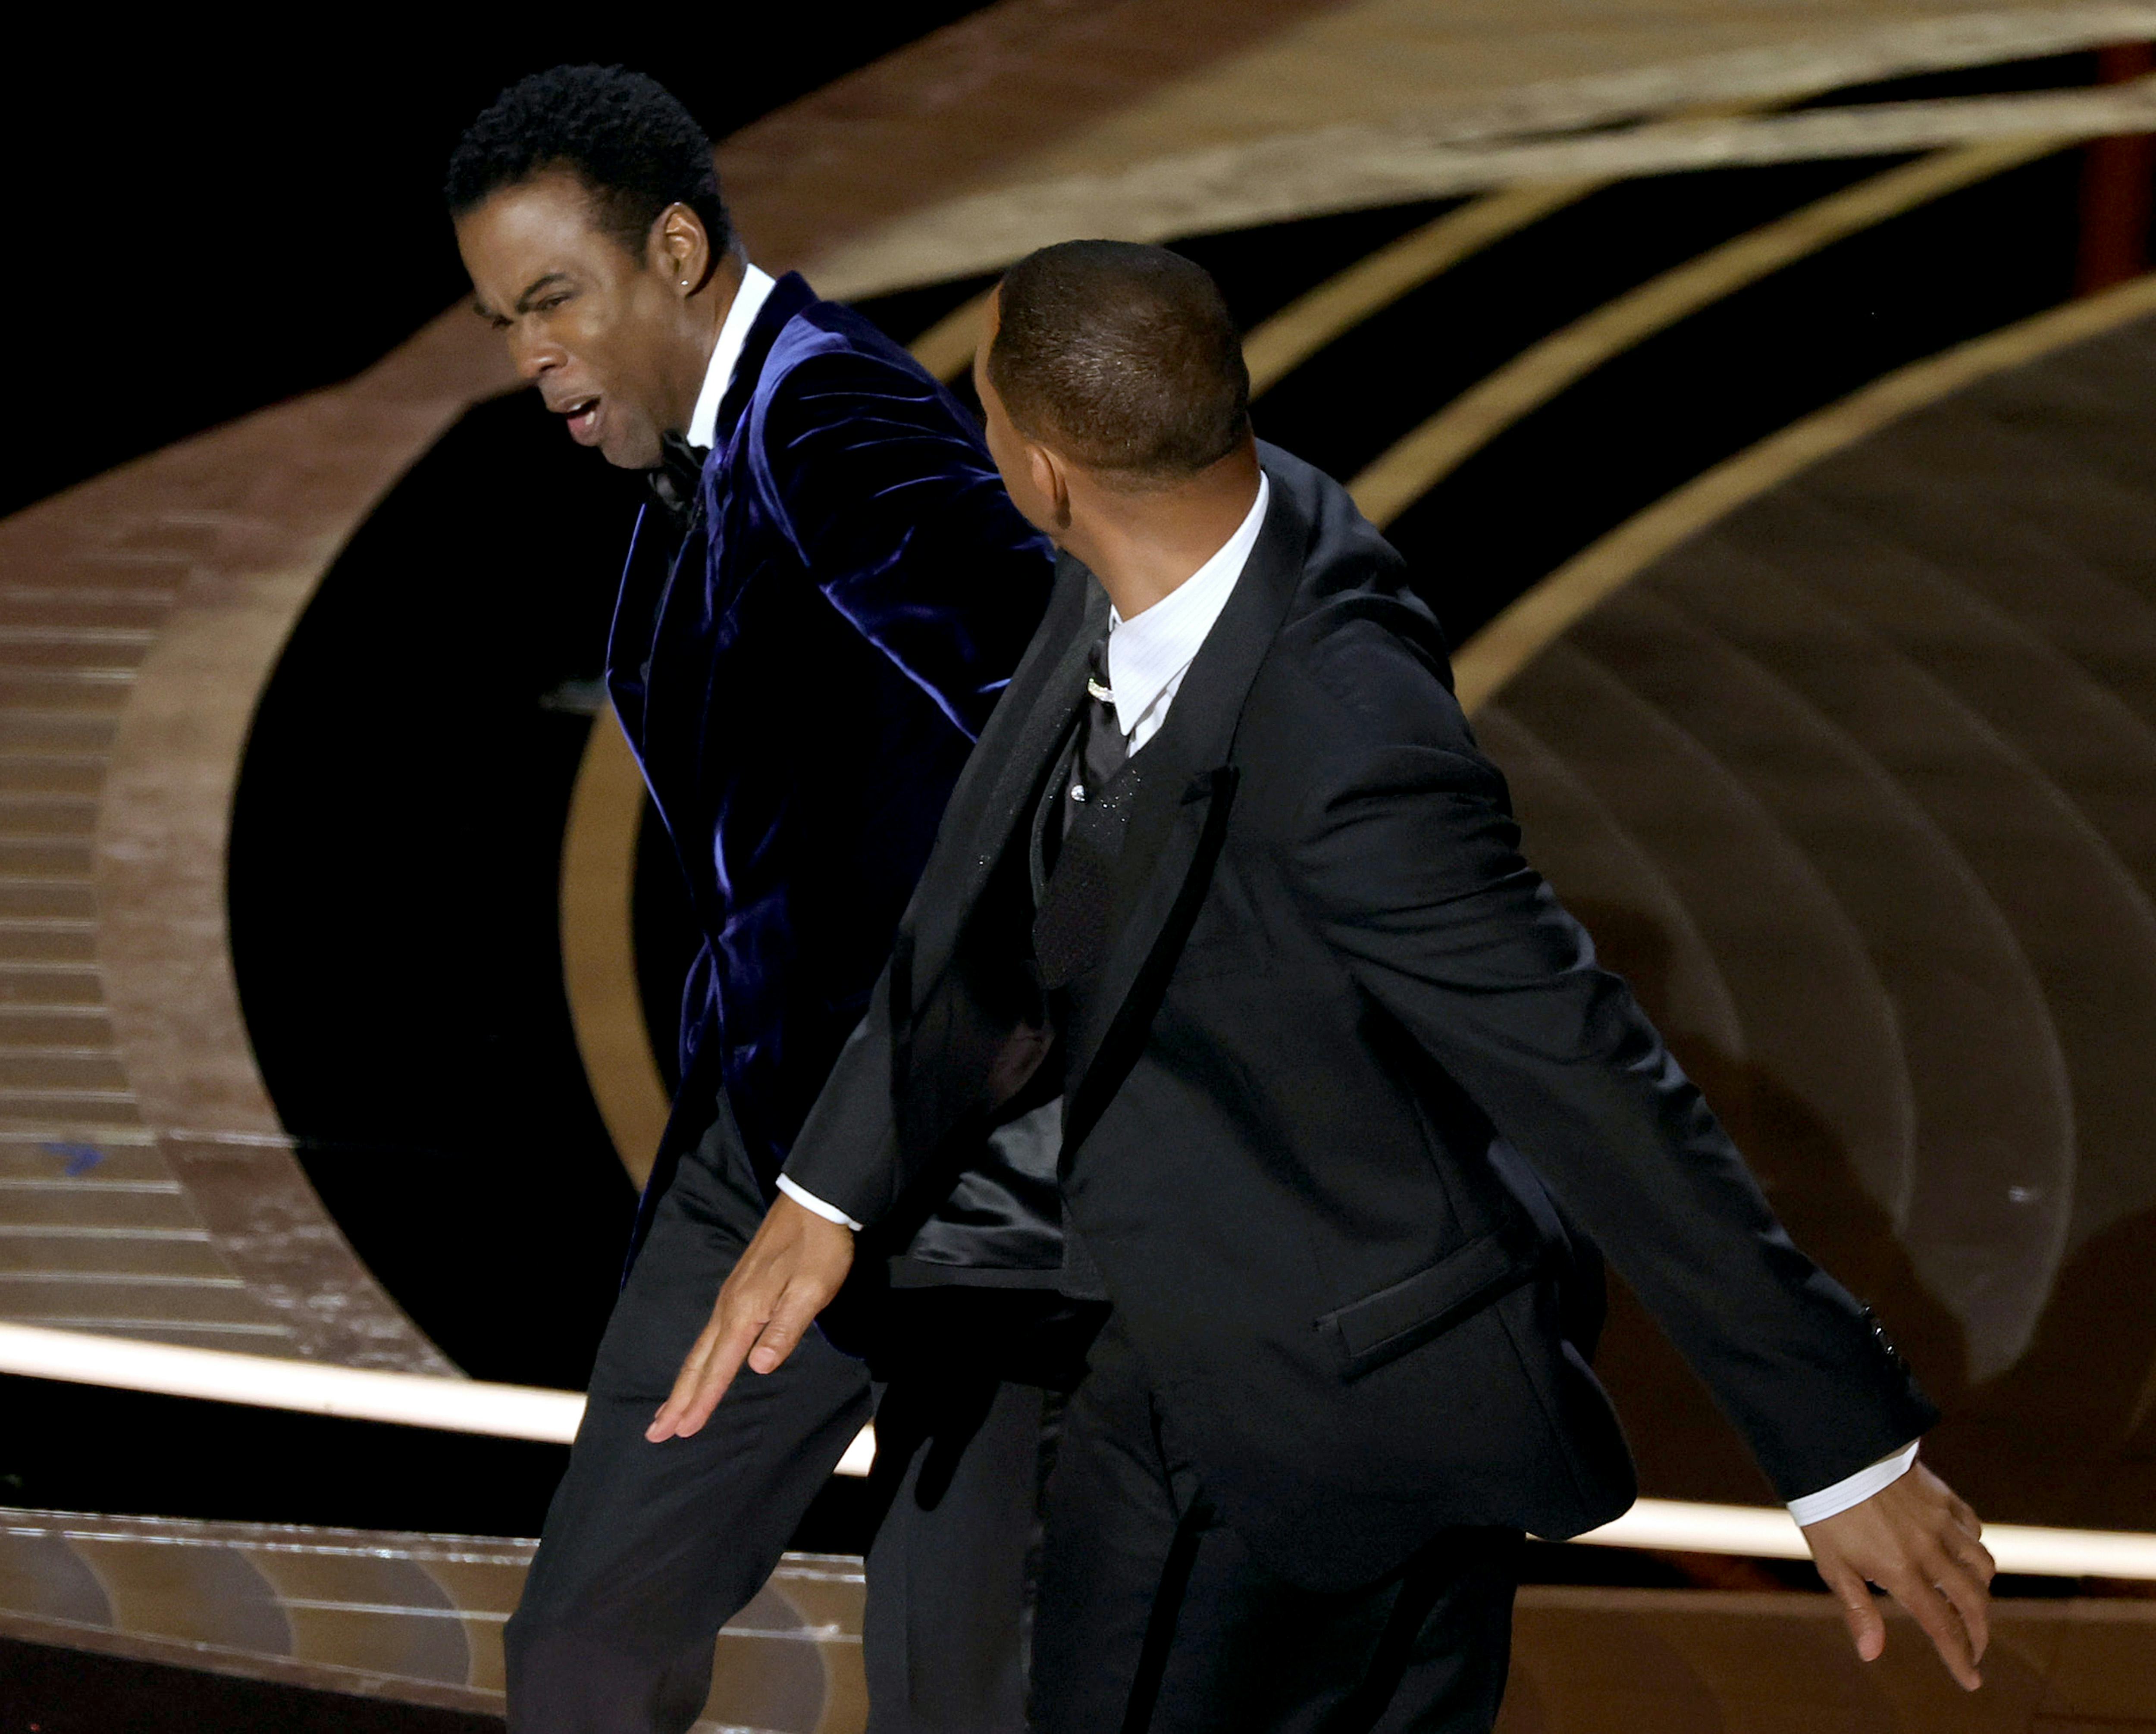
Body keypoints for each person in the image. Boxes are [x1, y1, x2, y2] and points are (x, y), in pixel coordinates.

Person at [654, 240, 1998, 1732]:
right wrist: (832, 1188)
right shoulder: (1198, 530)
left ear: (1042, 473)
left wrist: (1842, 1450)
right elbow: (1018, 887)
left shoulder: (1347, 747)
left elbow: (1589, 1074)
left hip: (1288, 1413)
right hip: (1323, 1366)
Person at [447, 66, 1096, 1734]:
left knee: (963, 1695)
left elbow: (1063, 706)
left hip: (961, 1170)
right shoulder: (701, 465)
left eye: (553, 302)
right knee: (586, 1649)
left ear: (675, 251)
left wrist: (943, 1071)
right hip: (763, 1158)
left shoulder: (828, 416)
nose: (531, 359)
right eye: (504, 322)